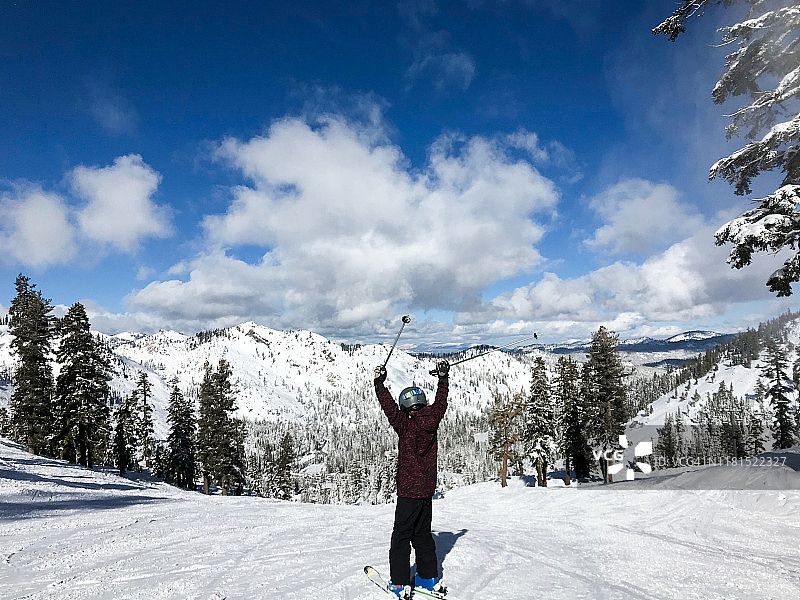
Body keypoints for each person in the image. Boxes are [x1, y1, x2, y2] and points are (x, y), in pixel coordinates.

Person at [373, 359, 450, 599]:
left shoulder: (405, 426)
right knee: (423, 535)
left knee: (401, 538)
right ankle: (428, 578)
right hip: (426, 491)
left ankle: (399, 582)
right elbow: (441, 402)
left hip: (408, 492)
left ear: (406, 407)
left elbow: (389, 410)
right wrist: (443, 378)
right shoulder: (433, 420)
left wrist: (379, 384)